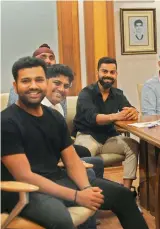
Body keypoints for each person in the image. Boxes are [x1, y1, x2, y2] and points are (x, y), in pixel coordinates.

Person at [1, 56, 148, 229]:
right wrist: (77, 196)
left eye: (39, 80)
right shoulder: (6, 121)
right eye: (26, 81)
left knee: (122, 195)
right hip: (24, 190)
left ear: (45, 83)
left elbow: (72, 161)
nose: (33, 85)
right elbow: (24, 175)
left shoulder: (54, 117)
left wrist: (86, 188)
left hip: (57, 179)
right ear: (15, 86)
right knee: (60, 220)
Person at [73, 57, 139, 190]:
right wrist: (115, 116)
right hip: (88, 136)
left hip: (109, 138)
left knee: (134, 146)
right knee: (82, 155)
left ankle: (126, 191)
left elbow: (129, 109)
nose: (108, 75)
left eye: (112, 72)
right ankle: (87, 190)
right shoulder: (86, 93)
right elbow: (93, 118)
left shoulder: (118, 94)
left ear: (116, 74)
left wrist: (133, 112)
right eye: (105, 71)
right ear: (97, 72)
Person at [7, 44, 66, 115]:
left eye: (51, 58)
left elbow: (63, 117)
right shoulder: (19, 88)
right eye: (43, 57)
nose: (48, 61)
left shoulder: (60, 88)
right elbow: (15, 114)